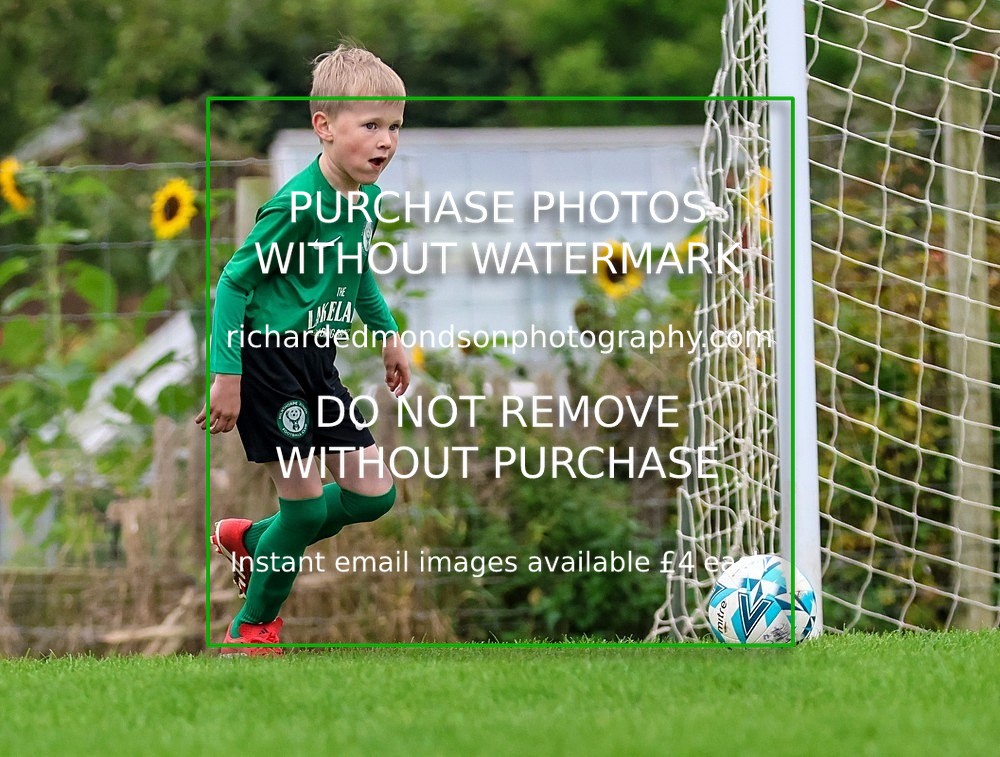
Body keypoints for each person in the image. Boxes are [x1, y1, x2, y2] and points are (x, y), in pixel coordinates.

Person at [196, 45, 409, 655]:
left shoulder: (363, 201)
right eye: (370, 126)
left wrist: (388, 335)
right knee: (307, 506)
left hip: (316, 358)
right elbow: (233, 282)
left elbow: (357, 272)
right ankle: (251, 628)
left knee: (375, 494)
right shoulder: (294, 206)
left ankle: (254, 538)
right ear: (324, 127)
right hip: (265, 360)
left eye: (394, 127)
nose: (386, 141)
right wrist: (226, 375)